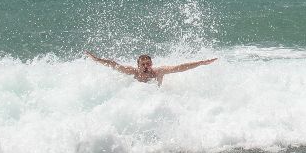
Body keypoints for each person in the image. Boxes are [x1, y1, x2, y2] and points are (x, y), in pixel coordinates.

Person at [85, 51, 217, 86]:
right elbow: (114, 65)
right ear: (138, 65)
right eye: (143, 64)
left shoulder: (158, 72)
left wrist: (200, 63)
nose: (146, 66)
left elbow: (180, 68)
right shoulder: (133, 72)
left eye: (148, 64)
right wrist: (97, 60)